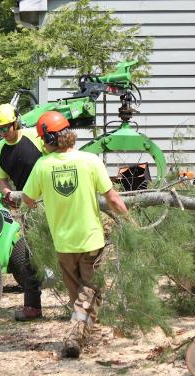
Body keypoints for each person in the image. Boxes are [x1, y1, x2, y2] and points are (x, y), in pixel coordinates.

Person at [21, 111, 129, 358]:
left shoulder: (42, 166)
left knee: (77, 295)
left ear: (47, 139)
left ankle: (79, 334)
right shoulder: (90, 161)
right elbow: (112, 198)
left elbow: (27, 200)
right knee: (90, 290)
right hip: (91, 239)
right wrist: (129, 220)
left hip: (64, 243)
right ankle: (74, 336)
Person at [0, 103, 45, 322]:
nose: (3, 133)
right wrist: (6, 191)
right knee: (31, 254)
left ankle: (77, 301)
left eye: (6, 127)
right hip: (28, 206)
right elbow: (0, 178)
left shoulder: (34, 136)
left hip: (51, 201)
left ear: (16, 122)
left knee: (65, 250)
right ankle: (32, 306)